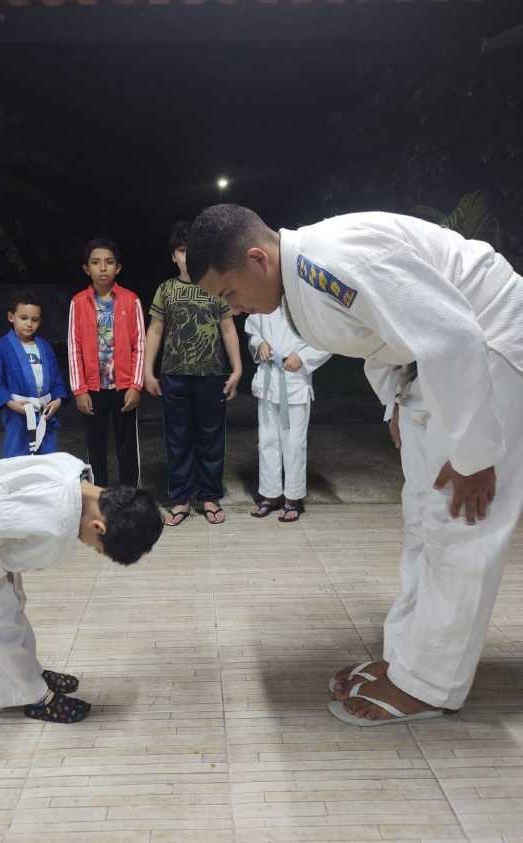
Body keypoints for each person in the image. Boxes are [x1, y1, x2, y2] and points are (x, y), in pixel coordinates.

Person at [187, 203, 523, 726]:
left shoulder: (335, 259)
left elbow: (452, 332)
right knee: (421, 518)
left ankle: (431, 684)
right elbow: (380, 338)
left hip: (490, 345)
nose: (232, 310)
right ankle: (408, 661)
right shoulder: (304, 276)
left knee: (459, 523)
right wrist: (396, 400)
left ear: (257, 259)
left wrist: (477, 455)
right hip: (438, 365)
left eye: (228, 294)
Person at [0, 451, 163, 723]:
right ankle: (35, 697)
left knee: (13, 614)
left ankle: (32, 673)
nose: (88, 546)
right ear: (99, 527)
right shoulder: (55, 512)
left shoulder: (74, 471)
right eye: (96, 548)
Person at [144, 221, 242, 526]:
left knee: (211, 439)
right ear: (174, 256)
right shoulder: (166, 290)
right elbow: (156, 330)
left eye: (193, 250)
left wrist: (237, 368)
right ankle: (181, 499)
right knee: (178, 439)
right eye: (183, 251)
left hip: (212, 374)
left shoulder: (215, 288)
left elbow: (228, 328)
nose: (188, 256)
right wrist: (148, 370)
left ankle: (210, 496)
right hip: (174, 375)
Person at [67, 238, 145, 487]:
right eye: (96, 263)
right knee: (95, 445)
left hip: (123, 388)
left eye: (109, 262)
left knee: (127, 446)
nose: (103, 268)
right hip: (92, 389)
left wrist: (135, 386)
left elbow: (140, 346)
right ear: (86, 268)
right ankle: (98, 497)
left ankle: (130, 496)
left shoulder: (130, 300)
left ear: (118, 268)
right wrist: (79, 390)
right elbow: (73, 348)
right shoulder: (78, 302)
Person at [246, 306, 330, 522]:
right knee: (267, 441)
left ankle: (293, 498)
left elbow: (327, 339)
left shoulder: (305, 303)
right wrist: (260, 344)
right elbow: (253, 331)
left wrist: (303, 356)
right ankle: (270, 494)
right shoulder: (263, 300)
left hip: (294, 381)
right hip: (268, 378)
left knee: (293, 443)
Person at [0, 290, 66, 458]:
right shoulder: (0, 348)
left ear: (40, 321)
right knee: (17, 459)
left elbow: (57, 378)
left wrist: (57, 400)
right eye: (23, 318)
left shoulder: (45, 347)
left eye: (34, 320)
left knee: (48, 460)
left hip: (45, 413)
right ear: (11, 317)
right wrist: (9, 402)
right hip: (18, 412)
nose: (29, 324)